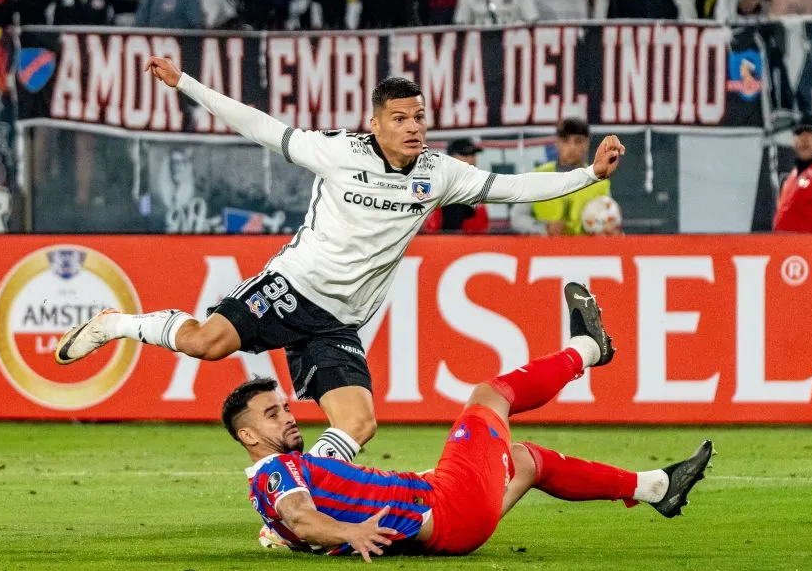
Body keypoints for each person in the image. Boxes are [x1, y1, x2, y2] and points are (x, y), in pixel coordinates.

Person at [56, 55, 625, 465]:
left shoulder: (439, 174)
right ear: (374, 123)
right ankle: (116, 324)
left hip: (338, 319)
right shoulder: (337, 152)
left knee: (359, 424)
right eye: (400, 118)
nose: (413, 128)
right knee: (208, 343)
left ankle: (300, 495)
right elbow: (259, 125)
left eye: (419, 117)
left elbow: (510, 187)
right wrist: (186, 84)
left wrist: (588, 176)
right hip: (293, 286)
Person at [229, 284, 713, 559]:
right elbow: (298, 516)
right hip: (449, 505)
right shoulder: (277, 474)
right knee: (489, 396)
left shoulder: (286, 478)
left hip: (454, 529)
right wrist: (346, 534)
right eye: (273, 414)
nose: (289, 416)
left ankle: (654, 487)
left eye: (286, 406)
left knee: (527, 460)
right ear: (248, 436)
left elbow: (290, 521)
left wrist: (289, 535)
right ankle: (589, 348)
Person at [511, 117, 610, 236]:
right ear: (557, 143)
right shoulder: (537, 177)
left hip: (585, 252)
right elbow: (517, 217)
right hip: (545, 251)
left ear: (587, 144)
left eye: (578, 141)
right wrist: (544, 228)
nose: (572, 147)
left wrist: (607, 228)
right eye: (566, 141)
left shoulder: (599, 183)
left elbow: (610, 220)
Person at [421, 139, 490, 233]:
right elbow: (442, 230)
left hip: (479, 243)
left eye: (473, 154)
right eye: (465, 155)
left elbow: (482, 225)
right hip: (450, 244)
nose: (471, 159)